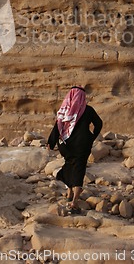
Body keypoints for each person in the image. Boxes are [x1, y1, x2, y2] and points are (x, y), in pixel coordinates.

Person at [47, 86, 103, 214]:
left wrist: (50, 141)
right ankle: (74, 202)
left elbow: (58, 126)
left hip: (65, 145)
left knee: (69, 164)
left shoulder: (65, 109)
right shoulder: (88, 110)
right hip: (82, 144)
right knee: (79, 167)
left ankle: (69, 193)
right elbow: (98, 123)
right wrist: (92, 136)